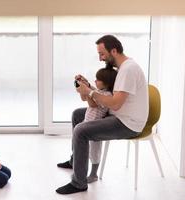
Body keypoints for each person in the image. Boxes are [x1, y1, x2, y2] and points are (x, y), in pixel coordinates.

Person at [56, 35, 148, 194]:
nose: (100, 58)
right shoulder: (122, 69)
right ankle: (75, 161)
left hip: (127, 124)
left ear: (114, 50)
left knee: (81, 130)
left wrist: (89, 92)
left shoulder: (128, 69)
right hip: (118, 115)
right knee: (77, 115)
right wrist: (89, 86)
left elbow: (115, 103)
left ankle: (79, 183)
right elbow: (109, 95)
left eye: (102, 54)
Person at [57, 65, 117, 184]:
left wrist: (87, 91)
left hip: (96, 126)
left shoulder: (107, 96)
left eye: (98, 80)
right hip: (88, 122)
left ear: (106, 83)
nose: (95, 81)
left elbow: (93, 104)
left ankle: (94, 174)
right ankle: (74, 162)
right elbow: (85, 99)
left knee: (94, 152)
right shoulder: (99, 91)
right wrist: (81, 87)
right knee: (80, 142)